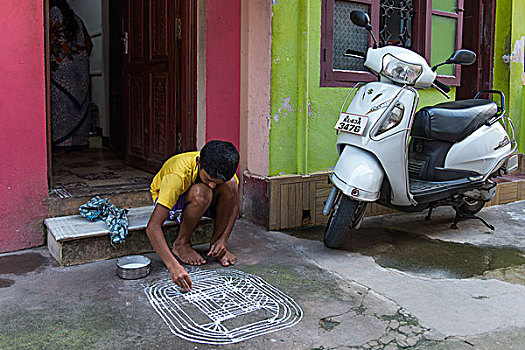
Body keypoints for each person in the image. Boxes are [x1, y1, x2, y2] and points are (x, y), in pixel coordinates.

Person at [146, 140, 240, 290]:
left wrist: (223, 240)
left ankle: (215, 244)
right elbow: (152, 227)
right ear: (198, 162)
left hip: (204, 200)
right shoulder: (177, 174)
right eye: (208, 179)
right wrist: (173, 267)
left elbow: (234, 206)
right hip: (174, 201)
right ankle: (181, 244)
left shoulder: (224, 169)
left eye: (217, 183)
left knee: (230, 186)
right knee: (202, 192)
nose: (213, 185)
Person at [49, 0, 93, 148]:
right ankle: (79, 141)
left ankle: (62, 142)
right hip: (80, 71)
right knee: (78, 107)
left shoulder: (50, 16)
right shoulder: (76, 19)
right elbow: (89, 44)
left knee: (60, 106)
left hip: (59, 71)